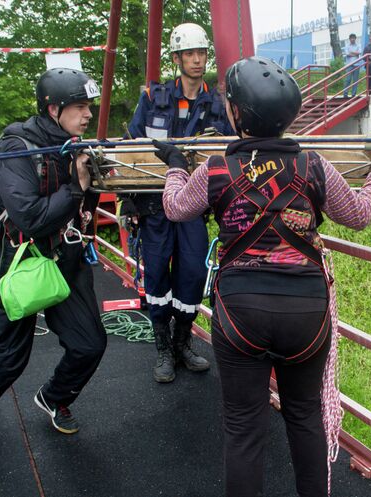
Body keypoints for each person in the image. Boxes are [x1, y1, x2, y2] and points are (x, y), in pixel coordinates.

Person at [159, 56, 371, 497]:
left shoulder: (216, 169)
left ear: (238, 114)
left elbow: (176, 208)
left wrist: (172, 166)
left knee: (244, 428)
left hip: (240, 309)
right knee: (304, 416)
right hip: (306, 312)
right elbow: (358, 214)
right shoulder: (313, 166)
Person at [0, 68, 107, 457]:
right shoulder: (15, 148)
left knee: (89, 344)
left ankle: (54, 396)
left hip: (65, 257)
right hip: (18, 259)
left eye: (89, 106)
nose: (87, 114)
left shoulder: (74, 145)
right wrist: (76, 188)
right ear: (53, 108)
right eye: (79, 107)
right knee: (7, 356)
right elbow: (30, 217)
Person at [125, 22, 233, 383]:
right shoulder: (153, 99)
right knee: (156, 273)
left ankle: (183, 341)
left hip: (193, 207)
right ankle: (163, 348)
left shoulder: (216, 105)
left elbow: (228, 154)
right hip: (155, 207)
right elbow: (129, 152)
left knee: (193, 273)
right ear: (177, 59)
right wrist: (129, 205)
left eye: (202, 53)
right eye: (190, 54)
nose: (198, 60)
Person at [342, 33, 362, 98]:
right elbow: (347, 54)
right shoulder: (347, 46)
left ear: (355, 39)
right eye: (351, 38)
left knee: (355, 80)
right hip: (349, 65)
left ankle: (353, 94)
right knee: (348, 79)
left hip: (356, 65)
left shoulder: (358, 45)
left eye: (354, 38)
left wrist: (352, 52)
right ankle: (345, 94)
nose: (352, 39)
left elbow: (359, 52)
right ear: (349, 39)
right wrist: (355, 54)